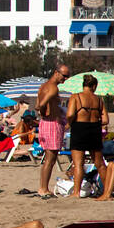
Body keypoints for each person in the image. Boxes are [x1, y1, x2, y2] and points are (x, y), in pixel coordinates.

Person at [67, 73, 108, 198]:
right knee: (99, 163)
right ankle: (107, 191)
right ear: (94, 86)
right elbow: (105, 120)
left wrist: (70, 123)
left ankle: (76, 193)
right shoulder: (99, 100)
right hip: (95, 128)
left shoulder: (76, 97)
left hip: (79, 128)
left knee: (78, 164)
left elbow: (69, 114)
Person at [36, 64, 70, 196]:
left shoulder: (43, 86)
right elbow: (41, 104)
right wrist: (46, 111)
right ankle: (43, 188)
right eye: (64, 75)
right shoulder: (53, 88)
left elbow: (39, 104)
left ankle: (43, 188)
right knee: (50, 159)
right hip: (51, 124)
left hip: (46, 123)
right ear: (56, 72)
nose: (65, 79)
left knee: (49, 158)